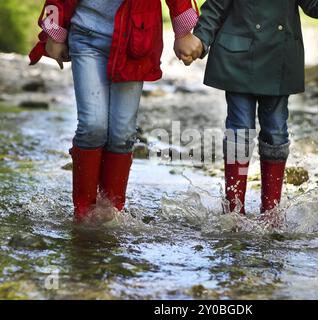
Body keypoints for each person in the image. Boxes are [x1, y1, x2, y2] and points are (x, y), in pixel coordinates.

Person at [29, 0, 203, 223]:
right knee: (92, 126)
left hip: (135, 37)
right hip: (86, 34)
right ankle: (83, 214)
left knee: (122, 134)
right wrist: (54, 32)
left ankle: (111, 214)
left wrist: (183, 32)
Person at [190, 0, 318, 216]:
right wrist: (201, 40)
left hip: (279, 59)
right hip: (238, 58)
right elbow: (215, 7)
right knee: (239, 129)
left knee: (276, 131)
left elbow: (315, 6)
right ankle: (233, 211)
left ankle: (271, 212)